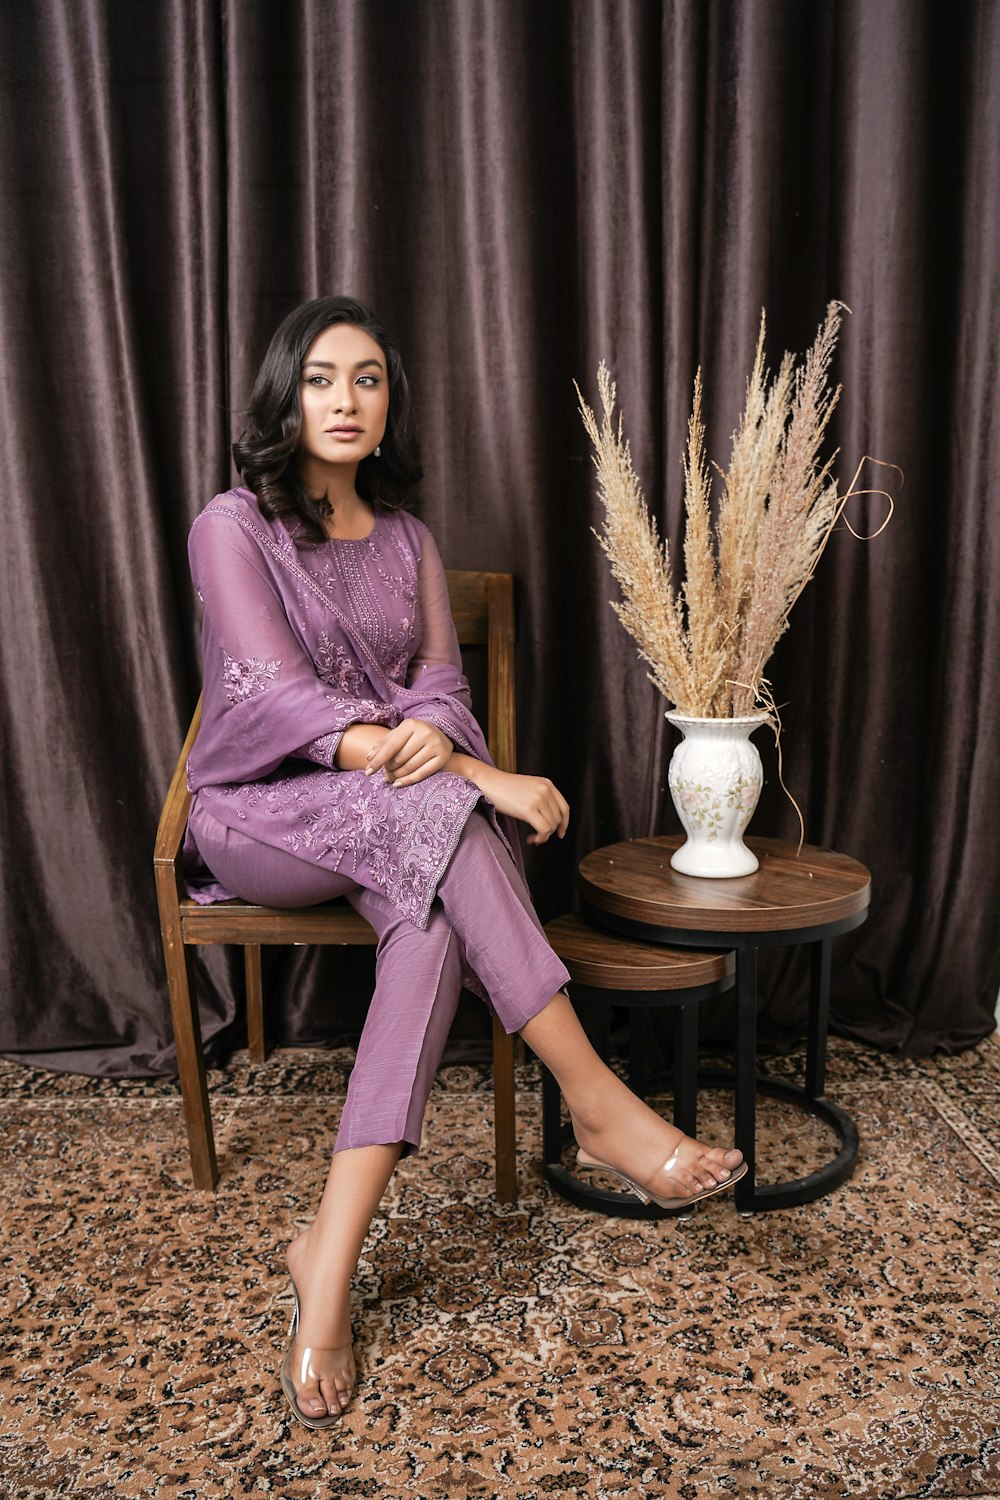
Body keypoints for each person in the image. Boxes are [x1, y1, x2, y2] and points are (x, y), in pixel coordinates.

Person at [183, 296, 746, 1431]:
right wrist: (480, 778)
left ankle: (324, 1262)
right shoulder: (232, 526)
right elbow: (275, 698)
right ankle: (595, 1099)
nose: (346, 401)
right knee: (451, 820)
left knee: (431, 918)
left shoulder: (409, 540)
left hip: (393, 807)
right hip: (259, 811)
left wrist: (448, 744)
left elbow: (440, 688)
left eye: (370, 380)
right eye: (322, 379)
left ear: (391, 406)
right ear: (284, 397)